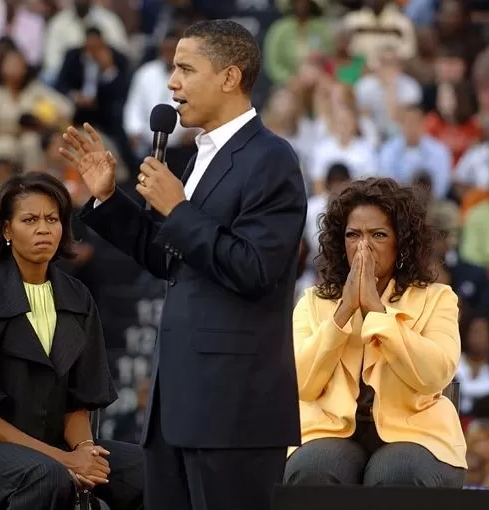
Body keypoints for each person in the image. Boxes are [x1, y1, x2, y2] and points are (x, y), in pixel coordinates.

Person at [60, 18, 307, 510]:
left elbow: (255, 269)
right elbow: (169, 258)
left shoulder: (272, 159)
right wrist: (110, 199)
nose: (171, 82)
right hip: (177, 405)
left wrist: (178, 210)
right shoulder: (201, 156)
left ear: (230, 77)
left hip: (233, 409)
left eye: (185, 69)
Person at [0, 172, 144, 510]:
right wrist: (64, 459)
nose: (44, 228)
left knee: (148, 470)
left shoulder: (78, 297)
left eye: (52, 218)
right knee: (47, 476)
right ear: (7, 229)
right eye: (30, 219)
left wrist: (85, 450)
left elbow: (77, 402)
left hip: (50, 443)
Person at [285, 178, 467, 487]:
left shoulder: (438, 298)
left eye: (378, 235)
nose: (363, 246)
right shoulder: (313, 302)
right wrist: (343, 313)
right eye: (353, 235)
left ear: (401, 243)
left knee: (395, 474)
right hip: (330, 430)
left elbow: (435, 375)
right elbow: (300, 385)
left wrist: (377, 312)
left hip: (416, 433)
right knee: (313, 469)